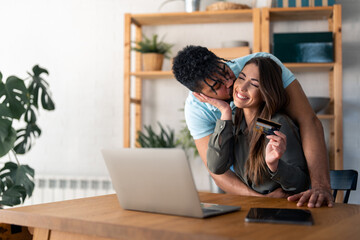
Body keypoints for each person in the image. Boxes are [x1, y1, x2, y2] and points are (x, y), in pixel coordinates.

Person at [172, 45, 333, 207]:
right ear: (201, 96)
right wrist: (260, 199)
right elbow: (216, 168)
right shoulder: (230, 122)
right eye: (217, 86)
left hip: (287, 200)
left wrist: (320, 186)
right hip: (253, 197)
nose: (231, 83)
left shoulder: (269, 121)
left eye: (226, 72)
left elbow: (308, 121)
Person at [203, 57, 310, 195]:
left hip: (279, 210)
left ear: (266, 93)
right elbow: (216, 167)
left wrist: (275, 166)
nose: (242, 87)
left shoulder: (269, 125)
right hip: (253, 207)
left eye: (254, 84)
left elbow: (301, 184)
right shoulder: (237, 123)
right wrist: (225, 112)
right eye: (241, 78)